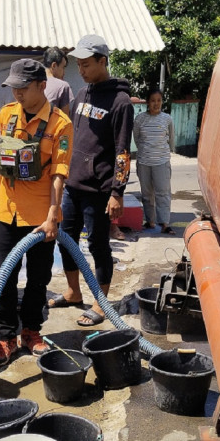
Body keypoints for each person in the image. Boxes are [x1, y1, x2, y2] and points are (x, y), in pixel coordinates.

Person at [0, 58, 73, 367]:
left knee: (38, 277)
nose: (16, 93)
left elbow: (59, 173)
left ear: (41, 86)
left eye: (22, 87)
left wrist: (52, 215)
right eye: (13, 87)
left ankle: (31, 331)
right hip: (7, 210)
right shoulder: (6, 115)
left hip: (40, 216)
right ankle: (6, 337)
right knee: (1, 274)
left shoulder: (61, 124)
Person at [48, 34, 134, 327]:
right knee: (67, 241)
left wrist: (117, 192)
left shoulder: (121, 102)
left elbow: (123, 151)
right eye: (79, 64)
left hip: (99, 190)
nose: (81, 69)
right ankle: (73, 292)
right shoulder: (82, 95)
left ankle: (100, 302)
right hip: (73, 185)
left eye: (86, 64)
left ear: (102, 61)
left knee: (98, 246)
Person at [133, 88, 176, 234]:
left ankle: (164, 223)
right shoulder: (140, 119)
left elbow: (170, 139)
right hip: (144, 162)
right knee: (146, 194)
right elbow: (137, 139)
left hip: (162, 162)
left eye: (159, 100)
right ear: (147, 102)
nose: (156, 104)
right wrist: (145, 152)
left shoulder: (167, 119)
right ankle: (150, 221)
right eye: (153, 101)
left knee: (163, 193)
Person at [42, 47, 74, 116]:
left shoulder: (32, 82)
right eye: (63, 67)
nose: (64, 73)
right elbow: (65, 119)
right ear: (54, 66)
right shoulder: (63, 86)